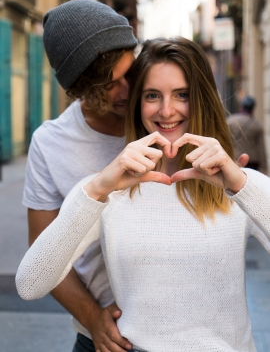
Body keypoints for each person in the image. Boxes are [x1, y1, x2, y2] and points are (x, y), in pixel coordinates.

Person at [16, 37, 267, 352]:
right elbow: (30, 283)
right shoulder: (109, 192)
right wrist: (96, 188)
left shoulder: (240, 186)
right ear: (137, 103)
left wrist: (242, 184)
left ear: (202, 98)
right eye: (152, 95)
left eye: (182, 95)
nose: (167, 110)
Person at [23, 0, 138, 352]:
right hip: (101, 337)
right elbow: (42, 251)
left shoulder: (161, 113)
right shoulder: (50, 143)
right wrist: (91, 317)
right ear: (79, 88)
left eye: (130, 74)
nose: (126, 91)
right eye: (109, 84)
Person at [227, 95, 268, 174]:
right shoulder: (257, 125)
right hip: (252, 163)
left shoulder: (230, 121)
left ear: (241, 106)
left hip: (235, 159)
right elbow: (261, 148)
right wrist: (264, 167)